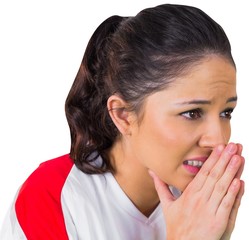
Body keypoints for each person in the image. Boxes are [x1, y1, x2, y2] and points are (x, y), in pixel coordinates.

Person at [0, 3, 245, 240]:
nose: (218, 140)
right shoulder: (52, 195)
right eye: (192, 113)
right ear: (123, 115)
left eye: (226, 112)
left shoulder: (205, 205)